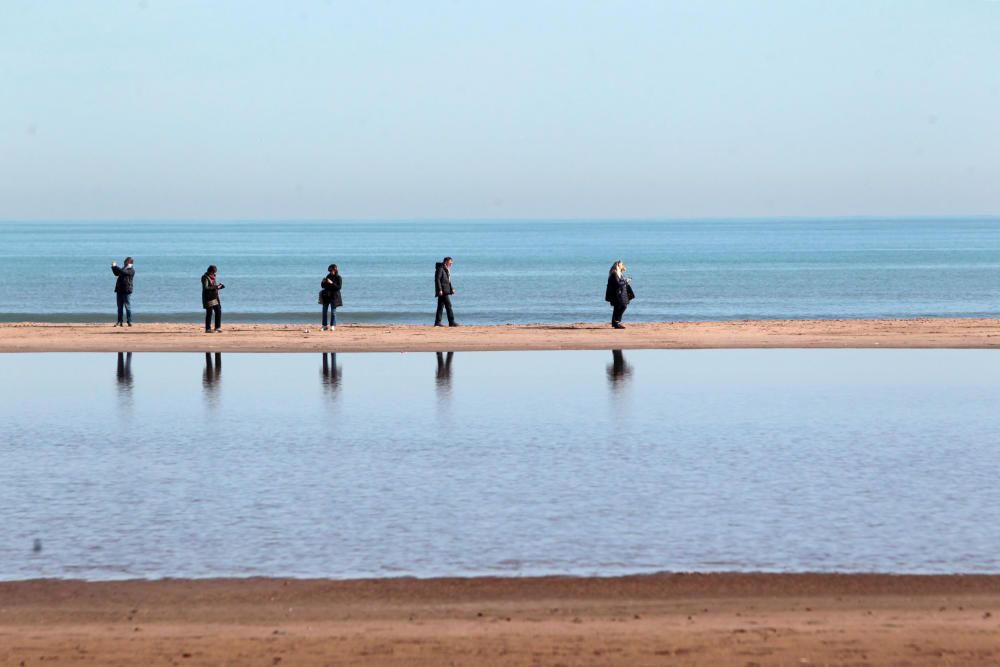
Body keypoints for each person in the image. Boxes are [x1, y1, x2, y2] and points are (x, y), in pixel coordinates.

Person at [605, 260, 633, 329]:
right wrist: (626, 281)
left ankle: (615, 323)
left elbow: (620, 282)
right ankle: (617, 322)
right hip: (617, 294)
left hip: (619, 293)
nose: (622, 265)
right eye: (621, 264)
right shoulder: (614, 273)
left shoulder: (619, 273)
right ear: (618, 265)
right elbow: (618, 284)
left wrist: (626, 281)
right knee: (622, 306)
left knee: (618, 307)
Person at [111, 257, 135, 327]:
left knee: (127, 306)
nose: (124, 263)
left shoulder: (131, 270)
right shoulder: (124, 268)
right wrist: (113, 267)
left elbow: (124, 272)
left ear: (129, 262)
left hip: (127, 290)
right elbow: (116, 273)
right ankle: (119, 321)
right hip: (119, 290)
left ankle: (129, 321)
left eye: (126, 262)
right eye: (124, 262)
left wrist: (116, 266)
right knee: (119, 307)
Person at [434, 256, 458, 327]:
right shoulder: (440, 269)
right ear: (446, 261)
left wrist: (451, 289)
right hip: (443, 291)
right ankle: (451, 322)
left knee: (440, 307)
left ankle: (437, 322)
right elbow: (437, 279)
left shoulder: (446, 269)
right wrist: (440, 290)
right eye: (450, 262)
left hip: (445, 290)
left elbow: (448, 281)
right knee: (448, 306)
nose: (451, 264)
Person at [201, 265, 225, 333]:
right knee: (209, 312)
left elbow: (213, 287)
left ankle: (217, 327)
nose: (214, 273)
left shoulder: (213, 277)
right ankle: (208, 329)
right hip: (208, 297)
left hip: (214, 297)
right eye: (213, 272)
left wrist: (219, 287)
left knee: (218, 311)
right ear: (210, 271)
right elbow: (205, 288)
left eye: (215, 272)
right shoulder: (205, 277)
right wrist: (216, 287)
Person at [320, 264, 343, 331]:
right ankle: (324, 326)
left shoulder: (339, 277)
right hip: (326, 296)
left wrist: (332, 283)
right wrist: (323, 282)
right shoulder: (328, 276)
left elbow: (339, 287)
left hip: (334, 297)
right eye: (329, 271)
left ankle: (332, 325)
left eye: (332, 270)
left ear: (335, 270)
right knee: (324, 311)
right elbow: (323, 286)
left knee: (333, 312)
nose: (330, 272)